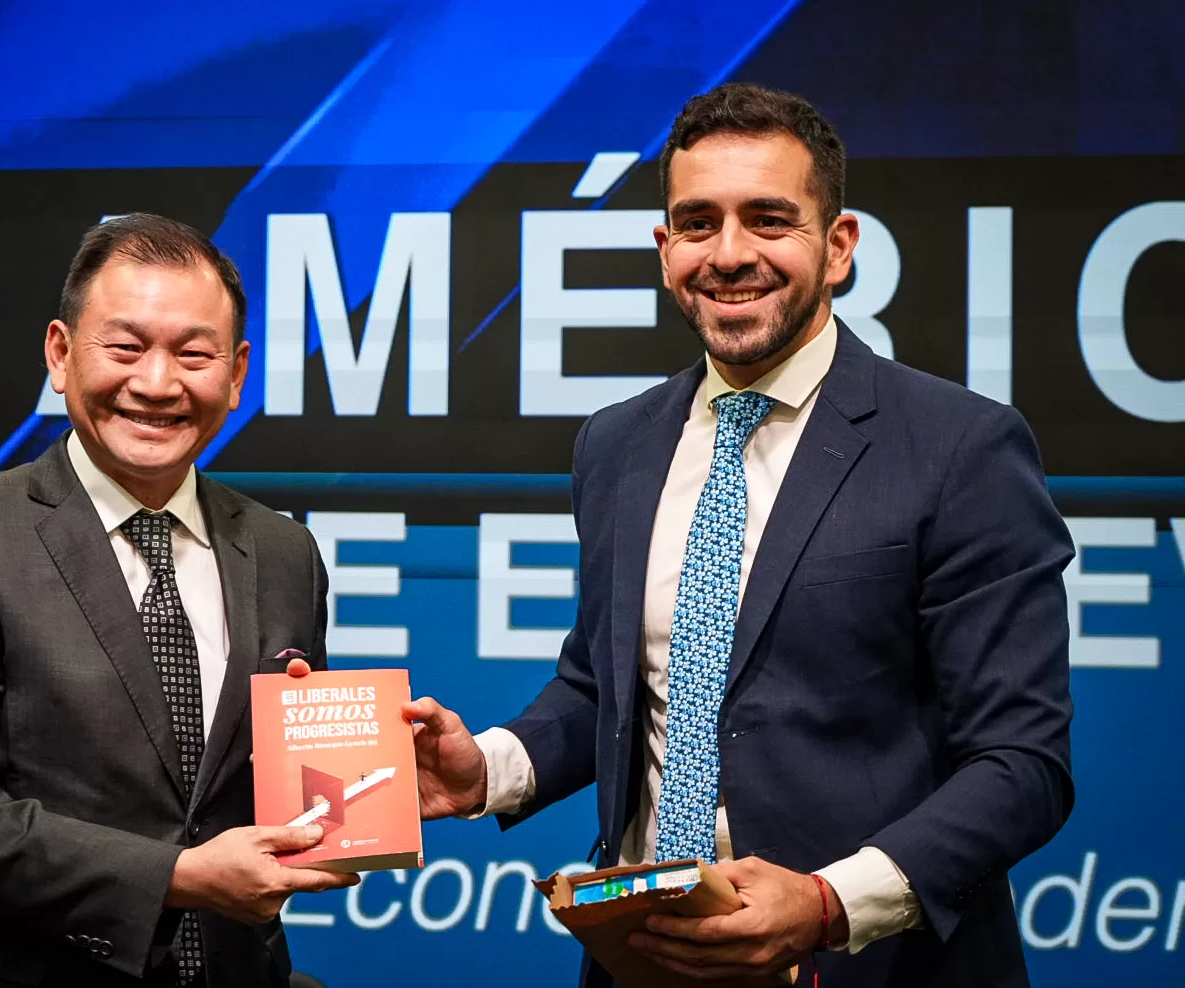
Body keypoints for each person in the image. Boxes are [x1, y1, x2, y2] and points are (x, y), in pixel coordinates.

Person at [408, 83, 1074, 987]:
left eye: (768, 220)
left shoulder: (962, 447)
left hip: (873, 969)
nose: (728, 255)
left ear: (838, 246)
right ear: (665, 249)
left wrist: (829, 904)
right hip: (645, 956)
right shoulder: (615, 443)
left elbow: (1022, 763)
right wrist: (485, 770)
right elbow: (608, 686)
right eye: (698, 223)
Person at [0, 213, 356, 988]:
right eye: (125, 348)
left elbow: (287, 789)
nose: (157, 384)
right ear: (60, 354)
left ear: (236, 374)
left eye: (193, 355)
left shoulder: (282, 551)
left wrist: (363, 782)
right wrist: (178, 877)